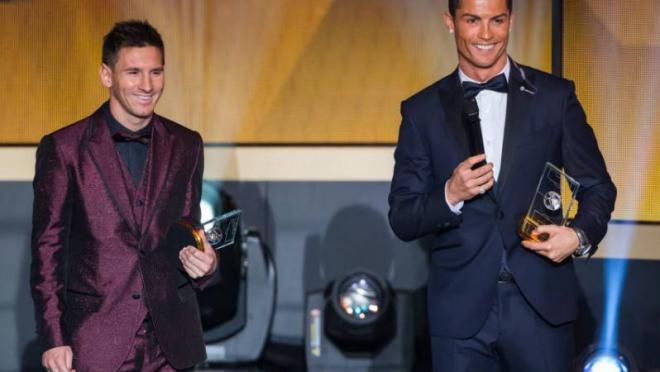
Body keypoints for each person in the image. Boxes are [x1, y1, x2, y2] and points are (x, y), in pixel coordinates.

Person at [388, 0, 616, 370]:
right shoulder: (421, 111)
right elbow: (402, 217)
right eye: (473, 20)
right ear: (451, 22)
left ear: (511, 21)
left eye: (497, 20)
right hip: (459, 313)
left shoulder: (554, 97)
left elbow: (599, 187)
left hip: (541, 306)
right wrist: (450, 193)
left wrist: (578, 236)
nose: (486, 34)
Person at [30, 20, 218, 372]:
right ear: (106, 75)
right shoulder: (64, 148)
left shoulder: (187, 144)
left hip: (172, 345)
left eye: (156, 72)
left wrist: (207, 267)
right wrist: (53, 337)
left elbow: (188, 232)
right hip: (96, 342)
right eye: (133, 72)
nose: (147, 85)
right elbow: (47, 251)